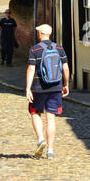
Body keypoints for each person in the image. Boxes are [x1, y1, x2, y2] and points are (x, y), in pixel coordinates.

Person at [26, 22, 69, 159]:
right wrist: (66, 84)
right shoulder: (59, 48)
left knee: (35, 112)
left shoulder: (34, 50)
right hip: (56, 86)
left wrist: (28, 88)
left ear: (40, 34)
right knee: (51, 117)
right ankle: (50, 150)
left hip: (38, 87)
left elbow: (31, 69)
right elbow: (66, 68)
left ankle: (41, 139)